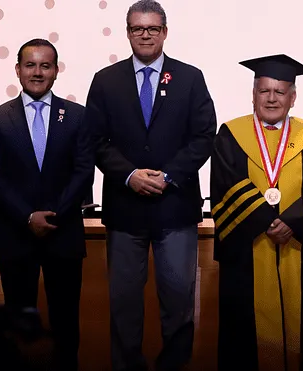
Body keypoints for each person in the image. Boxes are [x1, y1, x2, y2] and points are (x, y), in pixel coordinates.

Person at [84, 0, 217, 370]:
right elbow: (95, 140)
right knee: (124, 307)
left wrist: (168, 175)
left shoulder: (190, 77)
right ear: (127, 32)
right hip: (125, 212)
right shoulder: (105, 80)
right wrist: (130, 175)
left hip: (175, 208)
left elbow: (204, 135)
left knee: (178, 306)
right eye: (138, 28)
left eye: (152, 28)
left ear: (165, 32)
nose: (145, 34)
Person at [210, 54, 303, 371]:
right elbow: (226, 185)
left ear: (292, 98)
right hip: (247, 250)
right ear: (253, 94)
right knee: (244, 330)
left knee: (300, 326)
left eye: (280, 92)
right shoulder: (230, 135)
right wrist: (268, 221)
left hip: (297, 248)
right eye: (264, 90)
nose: (271, 98)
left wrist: (292, 223)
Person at [0, 38, 94, 371]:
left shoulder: (76, 116)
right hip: (16, 235)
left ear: (56, 71)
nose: (37, 72)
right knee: (18, 326)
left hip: (64, 234)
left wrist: (54, 215)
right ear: (18, 70)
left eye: (46, 65)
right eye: (30, 65)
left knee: (65, 323)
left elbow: (83, 169)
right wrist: (28, 216)